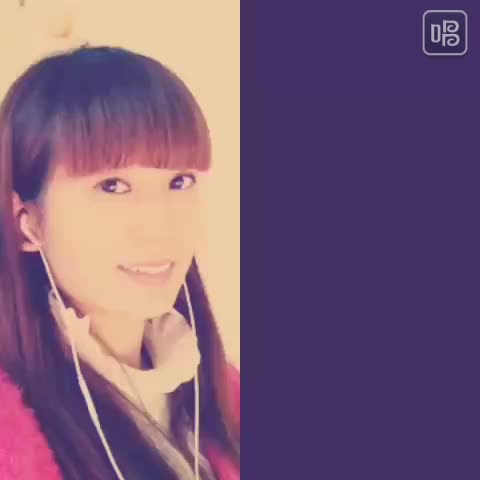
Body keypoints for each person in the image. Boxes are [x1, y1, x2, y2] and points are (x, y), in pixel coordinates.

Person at [0, 45, 240, 480]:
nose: (159, 226)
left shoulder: (226, 395)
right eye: (112, 186)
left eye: (179, 181)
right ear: (28, 223)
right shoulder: (10, 433)